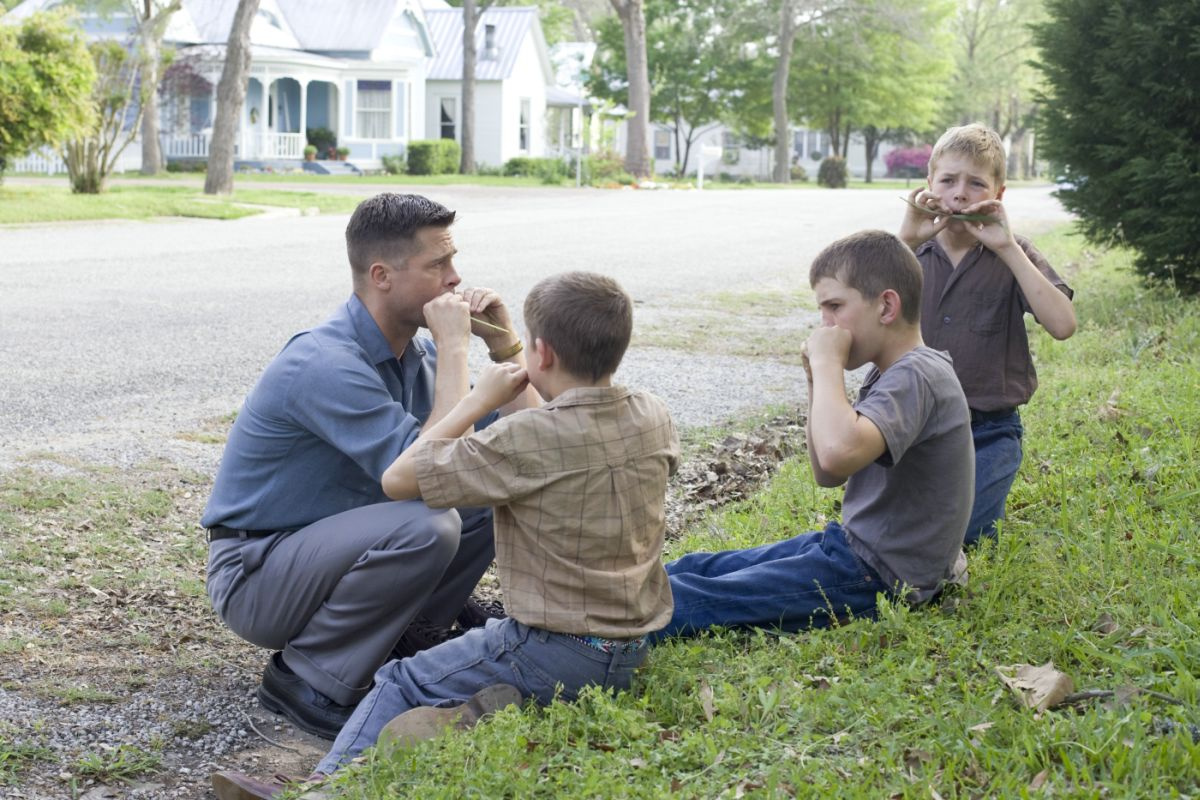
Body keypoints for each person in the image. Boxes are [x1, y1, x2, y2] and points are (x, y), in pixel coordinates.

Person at [211, 271, 680, 800]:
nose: (454, 278)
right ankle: (472, 706)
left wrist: (475, 396)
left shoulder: (525, 438)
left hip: (550, 647)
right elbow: (558, 439)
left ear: (542, 353)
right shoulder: (652, 414)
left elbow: (401, 478)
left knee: (398, 682)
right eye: (442, 263)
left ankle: (322, 791)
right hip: (626, 650)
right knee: (468, 548)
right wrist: (509, 346)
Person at [201, 192, 538, 741]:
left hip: (327, 552)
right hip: (257, 575)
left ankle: (407, 638)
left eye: (453, 261)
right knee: (431, 522)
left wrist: (505, 345)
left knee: (492, 488)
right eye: (437, 265)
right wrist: (456, 348)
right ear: (381, 275)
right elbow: (435, 466)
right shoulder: (325, 362)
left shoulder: (418, 357)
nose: (456, 279)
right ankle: (308, 678)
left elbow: (532, 442)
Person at [657, 230, 973, 638]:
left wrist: (828, 366)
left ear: (887, 306)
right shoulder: (892, 374)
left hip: (881, 576)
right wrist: (815, 381)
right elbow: (827, 473)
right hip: (855, 549)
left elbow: (837, 456)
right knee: (697, 568)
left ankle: (600, 621)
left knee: (700, 596)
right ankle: (611, 594)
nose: (825, 324)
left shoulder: (919, 375)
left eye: (834, 307)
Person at [900, 123, 1076, 546]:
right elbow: (857, 316)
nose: (960, 194)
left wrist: (1008, 248)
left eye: (976, 183)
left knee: (962, 537)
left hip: (989, 432)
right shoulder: (906, 253)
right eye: (948, 180)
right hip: (912, 426)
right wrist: (905, 240)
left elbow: (1063, 325)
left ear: (998, 193)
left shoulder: (1014, 252)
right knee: (897, 531)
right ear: (929, 184)